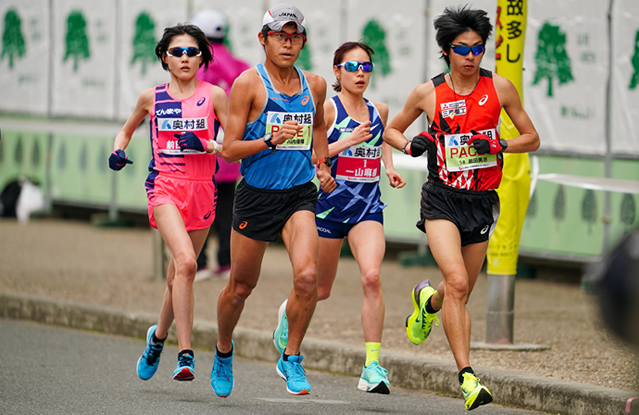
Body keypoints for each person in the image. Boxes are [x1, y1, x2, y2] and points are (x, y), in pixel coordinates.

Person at [382, 5, 540, 411]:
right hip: (442, 198)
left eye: (478, 49)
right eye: (462, 49)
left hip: (482, 201)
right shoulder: (428, 93)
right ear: (445, 50)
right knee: (456, 281)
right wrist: (409, 144)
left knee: (458, 292)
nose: (471, 57)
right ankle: (468, 378)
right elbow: (392, 129)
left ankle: (426, 304)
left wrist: (500, 144)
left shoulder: (500, 88)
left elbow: (531, 138)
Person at [209, 4, 336, 398]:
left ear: (303, 42)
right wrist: (268, 140)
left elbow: (317, 128)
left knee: (308, 278)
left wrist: (322, 163)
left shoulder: (315, 84)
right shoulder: (248, 84)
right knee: (240, 288)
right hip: (257, 195)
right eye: (280, 35)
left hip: (299, 194)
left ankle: (292, 356)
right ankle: (223, 349)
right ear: (263, 39)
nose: (287, 42)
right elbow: (229, 150)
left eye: (295, 36)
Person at [272, 41, 405, 395]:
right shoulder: (327, 110)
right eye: (352, 67)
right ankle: (288, 312)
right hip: (330, 208)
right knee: (320, 289)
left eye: (366, 67)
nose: (360, 73)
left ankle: (372, 367)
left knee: (373, 277)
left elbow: (381, 142)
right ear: (337, 71)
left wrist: (389, 168)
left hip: (367, 208)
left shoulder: (380, 109)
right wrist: (338, 150)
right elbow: (310, 153)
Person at [109, 24, 228, 383]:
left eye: (193, 51)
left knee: (177, 276)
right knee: (188, 265)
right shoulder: (151, 97)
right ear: (165, 57)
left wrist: (207, 144)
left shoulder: (216, 96)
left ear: (203, 57)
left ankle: (157, 338)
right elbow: (127, 130)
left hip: (203, 190)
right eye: (178, 52)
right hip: (165, 187)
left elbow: (233, 145)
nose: (186, 58)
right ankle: (186, 354)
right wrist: (118, 150)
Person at [191, 10, 251, 281]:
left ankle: (201, 262)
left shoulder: (198, 66)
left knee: (199, 209)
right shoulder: (240, 66)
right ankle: (227, 263)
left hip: (201, 152)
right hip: (232, 151)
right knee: (228, 208)